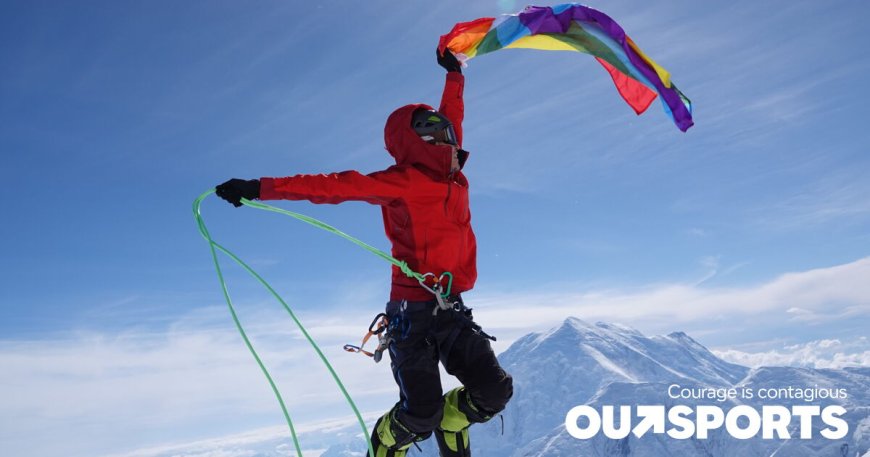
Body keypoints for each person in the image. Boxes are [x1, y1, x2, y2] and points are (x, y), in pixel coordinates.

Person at [215, 49, 512, 457]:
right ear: (414, 139)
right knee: (420, 414)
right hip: (413, 312)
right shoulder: (401, 182)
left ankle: (453, 420)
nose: (446, 132)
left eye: (444, 128)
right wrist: (260, 187)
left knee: (494, 390)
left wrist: (455, 77)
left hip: (451, 306)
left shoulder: (453, 175)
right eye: (433, 128)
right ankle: (387, 441)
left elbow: (453, 117)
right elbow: (332, 186)